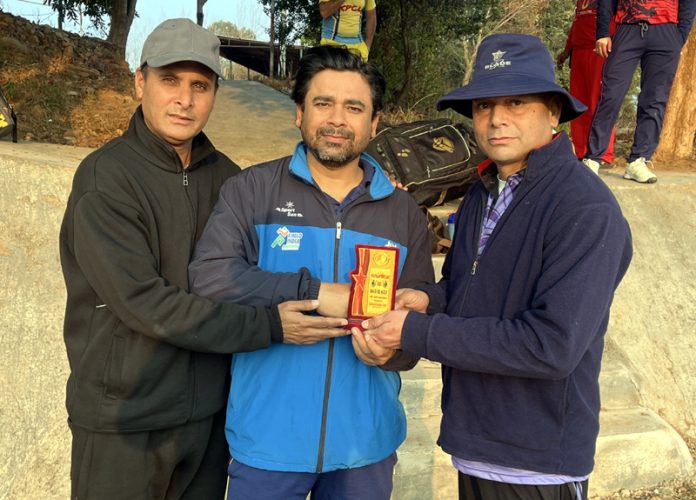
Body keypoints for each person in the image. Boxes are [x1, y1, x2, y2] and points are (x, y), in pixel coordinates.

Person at [59, 18, 346, 500]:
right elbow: (145, 303)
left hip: (210, 421)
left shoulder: (232, 180)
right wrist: (270, 327)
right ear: (140, 81)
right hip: (125, 422)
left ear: (216, 92)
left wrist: (376, 191)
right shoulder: (105, 179)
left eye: (200, 85)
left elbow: (288, 239)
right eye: (169, 81)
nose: (185, 99)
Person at [361, 33, 633, 500]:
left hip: (537, 462)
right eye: (484, 105)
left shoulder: (584, 208)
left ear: (553, 112)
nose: (496, 118)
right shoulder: (483, 193)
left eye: (516, 102)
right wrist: (428, 299)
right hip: (476, 441)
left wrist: (415, 332)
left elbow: (551, 345)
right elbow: (469, 289)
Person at [189, 45, 434, 500]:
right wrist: (316, 292)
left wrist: (394, 354)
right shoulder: (252, 190)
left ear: (375, 123)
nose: (338, 119)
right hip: (267, 444)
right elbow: (210, 276)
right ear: (298, 113)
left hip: (366, 446)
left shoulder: (403, 214)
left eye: (354, 107)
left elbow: (420, 314)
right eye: (323, 103)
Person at [582, 0, 696, 183]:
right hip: (628, 29)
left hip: (666, 32)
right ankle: (593, 158)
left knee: (655, 99)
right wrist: (603, 32)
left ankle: (638, 160)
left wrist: (679, 36)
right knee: (611, 94)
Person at [556, 0, 617, 170]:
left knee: (599, 102)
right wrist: (567, 50)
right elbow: (577, 24)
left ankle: (604, 153)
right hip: (579, 52)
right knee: (579, 106)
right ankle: (582, 153)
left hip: (600, 50)